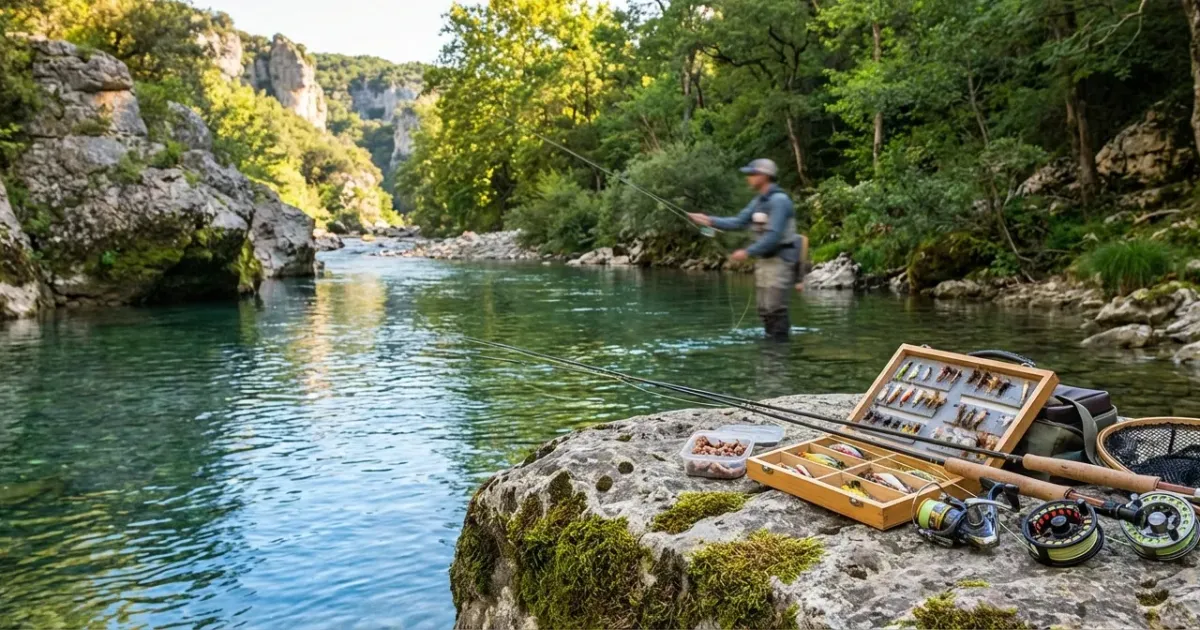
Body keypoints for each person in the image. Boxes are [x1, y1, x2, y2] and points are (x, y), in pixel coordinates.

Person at [688, 159, 808, 341]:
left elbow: (774, 236)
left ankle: (780, 355)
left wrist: (747, 252)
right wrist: (709, 220)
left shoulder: (780, 201)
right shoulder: (758, 201)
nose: (748, 178)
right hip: (765, 262)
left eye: (752, 174)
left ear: (764, 176)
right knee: (764, 310)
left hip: (780, 261)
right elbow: (738, 221)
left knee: (775, 309)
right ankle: (772, 351)